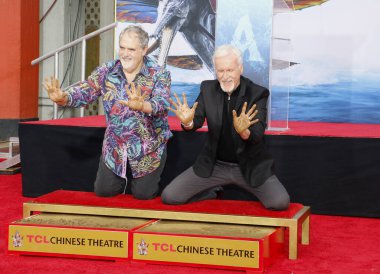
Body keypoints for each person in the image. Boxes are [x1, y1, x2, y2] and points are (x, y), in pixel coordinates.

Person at [42, 25, 172, 199]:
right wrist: (63, 98)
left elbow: (161, 103)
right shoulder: (107, 70)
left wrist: (142, 106)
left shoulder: (159, 74)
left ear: (144, 50)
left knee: (143, 194)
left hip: (148, 146)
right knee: (104, 191)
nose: (125, 54)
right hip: (115, 145)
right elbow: (87, 89)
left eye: (131, 49)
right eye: (122, 48)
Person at [161, 44, 290, 210]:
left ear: (240, 68)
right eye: (220, 71)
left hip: (249, 166)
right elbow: (196, 120)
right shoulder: (207, 89)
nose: (225, 76)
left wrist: (244, 130)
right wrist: (187, 122)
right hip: (215, 166)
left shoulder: (257, 93)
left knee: (279, 202)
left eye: (230, 70)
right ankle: (212, 191)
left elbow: (256, 135)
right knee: (170, 196)